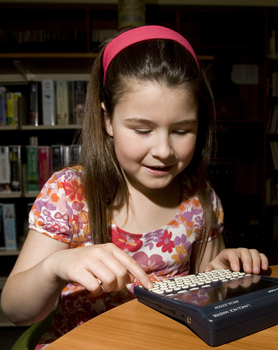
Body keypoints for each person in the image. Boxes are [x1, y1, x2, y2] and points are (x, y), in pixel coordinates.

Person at [1, 25, 268, 349]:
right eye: (142, 130)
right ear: (107, 120)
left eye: (182, 130)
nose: (164, 150)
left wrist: (226, 273)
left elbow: (207, 293)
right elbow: (15, 311)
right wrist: (55, 267)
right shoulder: (68, 193)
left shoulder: (200, 200)